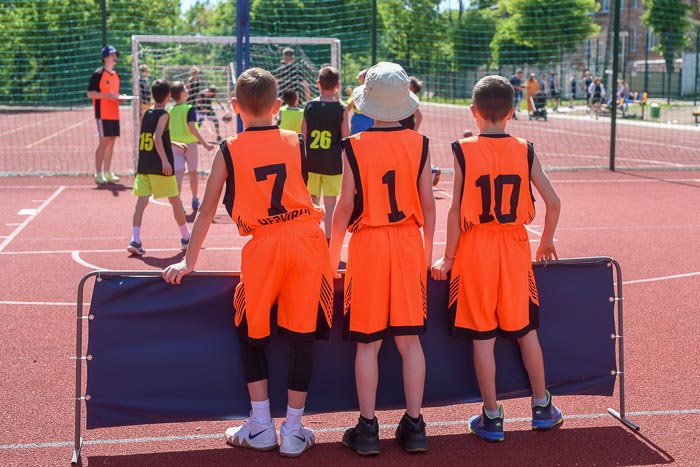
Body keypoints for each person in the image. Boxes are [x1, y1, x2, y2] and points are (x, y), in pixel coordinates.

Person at [163, 67, 333, 458]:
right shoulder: (297, 141)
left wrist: (188, 262)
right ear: (277, 106)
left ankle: (260, 424)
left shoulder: (229, 148)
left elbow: (206, 211)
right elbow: (315, 194)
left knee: (250, 328)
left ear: (236, 106)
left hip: (265, 245)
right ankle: (293, 429)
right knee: (302, 335)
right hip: (308, 242)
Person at [431, 75, 563, 443]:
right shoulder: (524, 148)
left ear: (473, 112)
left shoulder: (463, 149)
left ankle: (492, 416)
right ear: (512, 112)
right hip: (515, 247)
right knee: (525, 332)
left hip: (475, 249)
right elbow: (553, 202)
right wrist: (546, 241)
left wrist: (447, 257)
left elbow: (456, 211)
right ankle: (542, 406)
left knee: (482, 339)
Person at [329, 62, 436, 456]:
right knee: (410, 342)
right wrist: (426, 252)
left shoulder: (353, 146)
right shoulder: (420, 143)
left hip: (369, 245)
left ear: (367, 105)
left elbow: (343, 208)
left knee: (368, 344)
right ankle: (415, 425)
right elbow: (428, 205)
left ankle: (368, 427)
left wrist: (331, 257)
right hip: (408, 241)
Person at [127, 79, 190, 256]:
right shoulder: (164, 114)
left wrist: (174, 143)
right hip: (159, 167)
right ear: (169, 96)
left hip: (144, 164)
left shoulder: (146, 113)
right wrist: (165, 161)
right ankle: (186, 237)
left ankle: (135, 239)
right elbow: (156, 138)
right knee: (175, 201)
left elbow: (152, 137)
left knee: (141, 204)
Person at [301, 66, 348, 242]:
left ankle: (313, 236)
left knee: (313, 201)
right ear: (337, 85)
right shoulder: (341, 109)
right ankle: (329, 239)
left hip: (312, 161)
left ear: (318, 83)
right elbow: (346, 137)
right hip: (332, 162)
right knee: (330, 205)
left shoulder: (310, 106)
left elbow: (303, 136)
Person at [168, 81, 214, 211]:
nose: (188, 91)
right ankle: (194, 199)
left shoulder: (170, 110)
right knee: (193, 172)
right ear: (182, 93)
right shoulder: (189, 108)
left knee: (178, 174)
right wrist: (205, 144)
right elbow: (192, 128)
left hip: (175, 145)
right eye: (186, 89)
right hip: (189, 145)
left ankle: (178, 203)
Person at [87, 45, 126, 185]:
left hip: (114, 113)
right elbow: (90, 93)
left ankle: (108, 171)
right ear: (105, 57)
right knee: (104, 141)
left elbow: (113, 95)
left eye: (115, 54)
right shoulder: (98, 74)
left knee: (112, 142)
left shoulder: (116, 75)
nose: (115, 57)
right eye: (112, 54)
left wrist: (120, 97)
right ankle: (98, 173)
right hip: (103, 113)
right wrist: (106, 96)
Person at [346, 69, 374, 133]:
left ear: (364, 78)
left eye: (360, 75)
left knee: (357, 139)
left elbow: (350, 105)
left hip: (359, 119)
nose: (358, 78)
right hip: (370, 119)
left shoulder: (358, 91)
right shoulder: (372, 90)